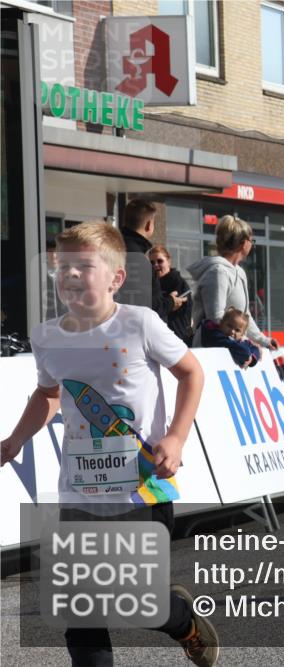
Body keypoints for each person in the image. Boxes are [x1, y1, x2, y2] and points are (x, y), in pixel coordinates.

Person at [0, 221, 217, 666]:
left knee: (135, 603)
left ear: (117, 278)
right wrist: (14, 440)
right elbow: (49, 394)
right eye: (63, 267)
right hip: (78, 489)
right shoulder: (46, 337)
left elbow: (192, 372)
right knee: (82, 610)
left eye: (84, 266)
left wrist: (175, 437)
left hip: (141, 484)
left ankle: (182, 621)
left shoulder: (140, 324)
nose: (70, 275)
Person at [188, 215, 279, 354]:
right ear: (243, 243)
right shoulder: (218, 272)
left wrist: (264, 340)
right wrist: (242, 344)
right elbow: (216, 318)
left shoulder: (239, 272)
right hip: (212, 351)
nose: (252, 244)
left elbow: (244, 315)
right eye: (251, 240)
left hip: (231, 348)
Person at [117, 198, 170, 320]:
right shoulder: (138, 259)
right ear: (148, 225)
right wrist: (171, 302)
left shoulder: (111, 249)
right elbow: (151, 308)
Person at [149, 245, 193, 346]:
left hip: (176, 338)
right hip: (155, 338)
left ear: (168, 261)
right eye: (152, 263)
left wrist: (167, 303)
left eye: (160, 261)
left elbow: (167, 310)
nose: (155, 265)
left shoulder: (178, 283)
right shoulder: (150, 285)